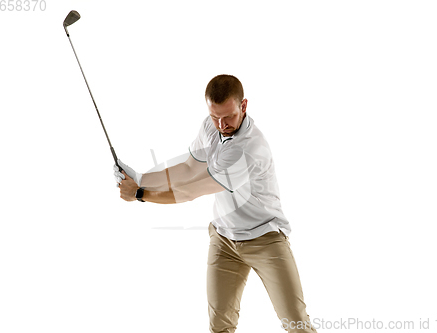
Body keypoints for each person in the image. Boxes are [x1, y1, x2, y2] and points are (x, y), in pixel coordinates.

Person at [116, 74, 317, 333]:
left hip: (265, 239)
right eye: (215, 117)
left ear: (243, 106)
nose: (222, 124)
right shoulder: (211, 126)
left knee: (296, 323)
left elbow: (190, 191)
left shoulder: (248, 149)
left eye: (229, 116)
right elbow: (189, 169)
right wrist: (141, 177)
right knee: (219, 327)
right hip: (223, 239)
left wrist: (141, 193)